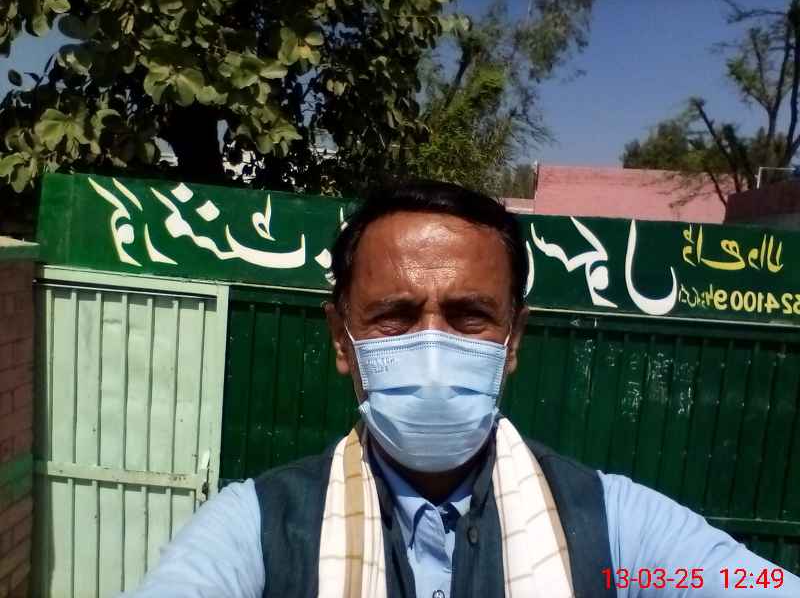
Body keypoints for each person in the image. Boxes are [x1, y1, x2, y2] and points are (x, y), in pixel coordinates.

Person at [124, 181, 799, 598]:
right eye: (394, 316)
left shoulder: (613, 533)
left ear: (514, 338)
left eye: (469, 315)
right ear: (341, 339)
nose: (432, 346)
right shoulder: (261, 532)